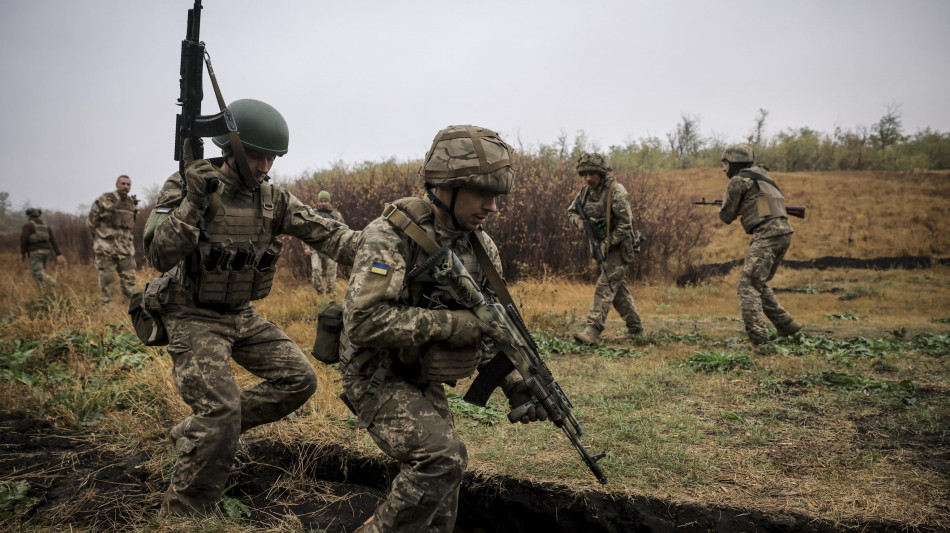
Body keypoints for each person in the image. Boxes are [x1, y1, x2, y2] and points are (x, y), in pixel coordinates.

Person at [143, 99, 358, 517]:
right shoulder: (187, 186)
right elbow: (158, 254)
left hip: (240, 315)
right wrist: (193, 202)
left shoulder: (273, 199)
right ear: (231, 149)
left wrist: (386, 247)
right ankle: (184, 513)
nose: (265, 166)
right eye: (257, 155)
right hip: (192, 315)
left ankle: (198, 433)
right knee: (221, 411)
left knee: (299, 379)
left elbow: (329, 234)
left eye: (271, 157)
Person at [340, 125, 547, 533]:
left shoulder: (481, 249)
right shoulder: (390, 236)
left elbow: (489, 329)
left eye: (497, 196)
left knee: (444, 500)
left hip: (422, 376)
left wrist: (514, 381)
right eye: (482, 193)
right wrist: (452, 324)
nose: (492, 206)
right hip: (375, 374)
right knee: (442, 458)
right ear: (445, 188)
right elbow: (363, 322)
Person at [718, 143, 802, 345]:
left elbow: (726, 216)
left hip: (768, 236)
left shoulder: (738, 181)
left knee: (747, 288)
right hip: (783, 232)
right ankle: (787, 325)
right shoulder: (761, 178)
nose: (723, 169)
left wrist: (731, 206)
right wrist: (746, 207)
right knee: (758, 283)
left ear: (735, 163)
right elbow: (763, 208)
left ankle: (759, 341)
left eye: (725, 163)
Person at [567, 153, 643, 345]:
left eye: (592, 174)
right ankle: (636, 330)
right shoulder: (585, 193)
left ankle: (592, 330)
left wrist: (607, 243)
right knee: (616, 290)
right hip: (602, 247)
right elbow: (572, 211)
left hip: (619, 247)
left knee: (605, 286)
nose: (588, 178)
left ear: (601, 173)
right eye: (585, 174)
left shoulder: (616, 192)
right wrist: (583, 225)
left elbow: (626, 224)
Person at [87, 175, 139, 304]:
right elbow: (91, 222)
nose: (126, 187)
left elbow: (131, 227)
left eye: (128, 184)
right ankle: (108, 309)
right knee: (106, 280)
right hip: (106, 248)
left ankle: (131, 308)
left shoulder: (132, 204)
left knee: (130, 280)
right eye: (123, 184)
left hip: (125, 249)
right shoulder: (104, 200)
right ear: (117, 185)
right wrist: (98, 239)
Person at [303, 190, 346, 297]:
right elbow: (304, 230)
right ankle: (320, 293)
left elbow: (344, 230)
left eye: (325, 201)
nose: (323, 203)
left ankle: (331, 294)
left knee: (331, 273)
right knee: (316, 270)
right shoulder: (312, 214)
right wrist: (306, 247)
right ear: (318, 201)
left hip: (331, 247)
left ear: (329, 202)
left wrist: (340, 246)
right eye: (321, 201)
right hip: (315, 246)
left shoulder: (336, 215)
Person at [20, 208, 64, 285]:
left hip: (35, 252)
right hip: (46, 251)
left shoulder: (27, 225)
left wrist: (23, 252)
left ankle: (55, 284)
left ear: (28, 215)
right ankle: (41, 291)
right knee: (39, 272)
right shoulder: (45, 225)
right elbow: (53, 240)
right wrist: (58, 253)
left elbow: (23, 239)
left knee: (38, 272)